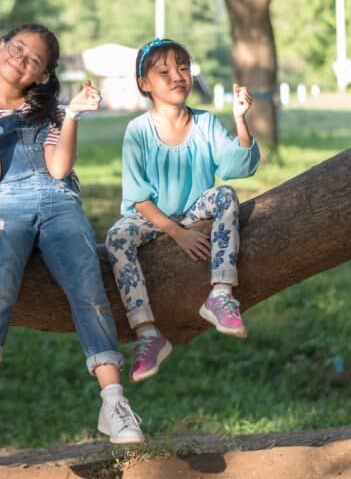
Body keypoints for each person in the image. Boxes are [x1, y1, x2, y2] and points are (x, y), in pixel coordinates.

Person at [0, 23, 144, 445]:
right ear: (1, 49)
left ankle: (114, 402)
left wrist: (72, 114)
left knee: (88, 285)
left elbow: (58, 169)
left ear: (42, 75)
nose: (20, 61)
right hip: (1, 203)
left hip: (58, 200)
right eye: (16, 50)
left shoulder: (49, 113)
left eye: (33, 60)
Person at [105, 38, 260, 383]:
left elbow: (238, 165)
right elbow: (140, 199)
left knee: (225, 194)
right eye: (164, 72)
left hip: (193, 209)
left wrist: (240, 120)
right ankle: (148, 334)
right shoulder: (137, 132)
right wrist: (178, 234)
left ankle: (220, 295)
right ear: (144, 84)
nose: (177, 76)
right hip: (148, 217)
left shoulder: (204, 123)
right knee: (116, 237)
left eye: (183, 68)